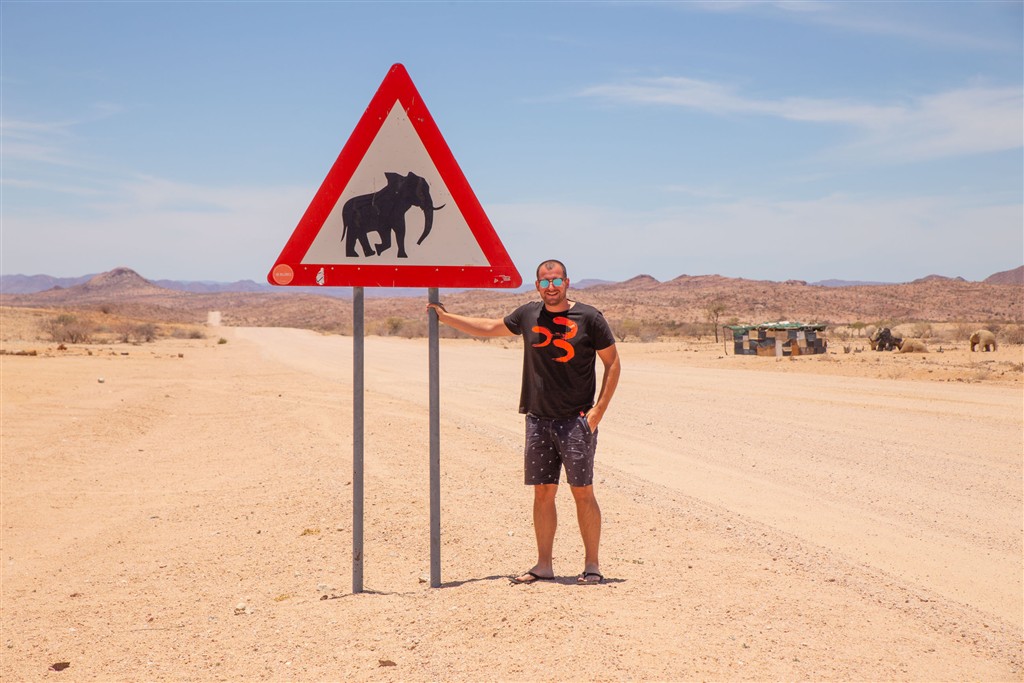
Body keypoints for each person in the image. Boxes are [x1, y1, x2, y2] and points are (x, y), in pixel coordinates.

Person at [427, 259, 620, 585]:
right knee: (543, 492)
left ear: (567, 282)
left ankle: (592, 566)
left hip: (576, 421)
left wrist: (598, 411)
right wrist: (447, 318)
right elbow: (489, 328)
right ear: (537, 286)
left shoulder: (590, 318)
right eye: (544, 282)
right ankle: (544, 565)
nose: (550, 287)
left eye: (556, 281)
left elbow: (612, 363)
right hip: (538, 419)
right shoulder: (529, 314)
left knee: (582, 492)